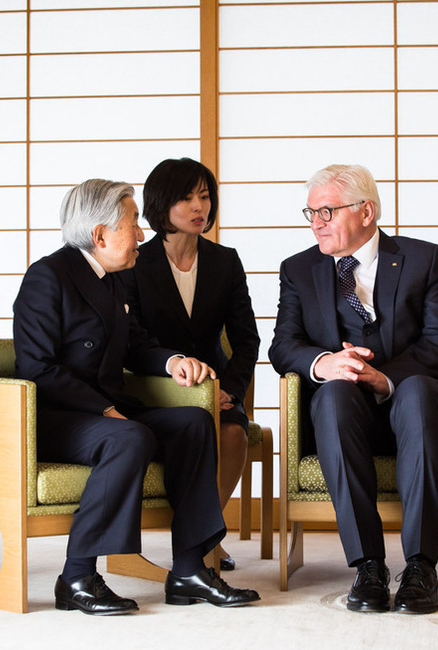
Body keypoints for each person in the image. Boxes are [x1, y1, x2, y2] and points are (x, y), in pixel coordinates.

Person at [13, 178, 260, 616]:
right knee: (129, 438)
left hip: (108, 411)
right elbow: (38, 368)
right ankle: (76, 577)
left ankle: (188, 569)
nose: (142, 234)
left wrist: (174, 362)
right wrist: (103, 409)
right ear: (100, 234)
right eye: (132, 223)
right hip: (58, 417)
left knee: (192, 422)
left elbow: (136, 346)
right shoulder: (47, 276)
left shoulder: (112, 281)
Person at [268, 164, 438, 615]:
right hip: (347, 416)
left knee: (418, 392)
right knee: (331, 394)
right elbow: (284, 346)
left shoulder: (424, 259)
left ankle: (421, 567)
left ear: (366, 211)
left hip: (420, 407)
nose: (315, 222)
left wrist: (386, 378)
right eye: (310, 212)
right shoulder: (298, 269)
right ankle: (368, 566)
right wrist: (325, 362)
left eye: (326, 210)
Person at [121, 158, 260, 571]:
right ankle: (199, 541)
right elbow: (131, 342)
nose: (199, 206)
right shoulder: (134, 262)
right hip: (155, 385)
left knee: (234, 433)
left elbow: (246, 339)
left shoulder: (225, 261)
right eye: (186, 197)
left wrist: (229, 390)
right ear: (162, 205)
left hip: (216, 388)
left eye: (204, 196)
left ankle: (202, 539)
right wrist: (173, 369)